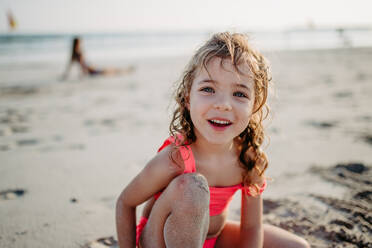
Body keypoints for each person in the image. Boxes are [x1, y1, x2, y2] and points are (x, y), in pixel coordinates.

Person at [116, 32, 310, 248]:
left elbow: (251, 228)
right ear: (188, 98)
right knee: (193, 188)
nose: (223, 104)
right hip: (158, 242)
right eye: (208, 89)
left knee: (297, 246)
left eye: (240, 94)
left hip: (213, 239)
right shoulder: (175, 158)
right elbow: (125, 202)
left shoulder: (249, 159)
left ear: (254, 106)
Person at [62, 37, 134, 79]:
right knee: (112, 71)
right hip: (91, 71)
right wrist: (84, 74)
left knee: (111, 71)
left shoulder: (74, 54)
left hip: (92, 69)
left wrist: (65, 75)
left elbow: (70, 66)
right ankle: (127, 70)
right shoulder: (78, 53)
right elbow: (83, 66)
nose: (80, 44)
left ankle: (127, 70)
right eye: (79, 43)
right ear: (77, 44)